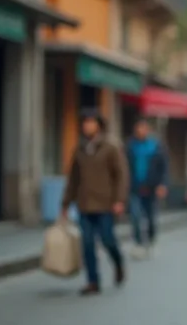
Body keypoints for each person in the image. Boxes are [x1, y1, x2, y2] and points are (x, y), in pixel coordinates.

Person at [61, 111, 127, 296]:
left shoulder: (110, 147)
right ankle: (93, 281)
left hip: (106, 204)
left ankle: (118, 262)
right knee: (88, 244)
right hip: (84, 204)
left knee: (107, 240)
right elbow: (73, 178)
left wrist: (119, 200)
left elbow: (120, 175)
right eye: (84, 122)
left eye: (90, 122)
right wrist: (65, 203)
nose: (86, 126)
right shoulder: (80, 148)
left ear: (99, 125)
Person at [125, 118, 168, 259]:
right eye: (138, 128)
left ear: (148, 130)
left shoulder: (156, 147)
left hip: (151, 187)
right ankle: (138, 242)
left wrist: (162, 184)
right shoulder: (130, 147)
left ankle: (150, 239)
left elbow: (164, 168)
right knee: (135, 216)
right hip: (135, 187)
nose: (141, 131)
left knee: (150, 216)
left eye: (144, 128)